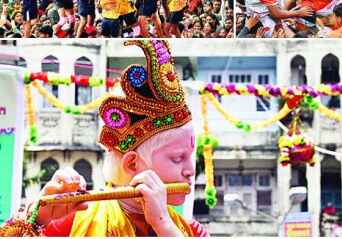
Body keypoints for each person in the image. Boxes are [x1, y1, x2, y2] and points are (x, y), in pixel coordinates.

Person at [0, 40, 207, 236]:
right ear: (133, 164)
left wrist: (164, 226)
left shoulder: (190, 231)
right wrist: (36, 219)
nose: (190, 170)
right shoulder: (73, 220)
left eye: (190, 156)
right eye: (178, 158)